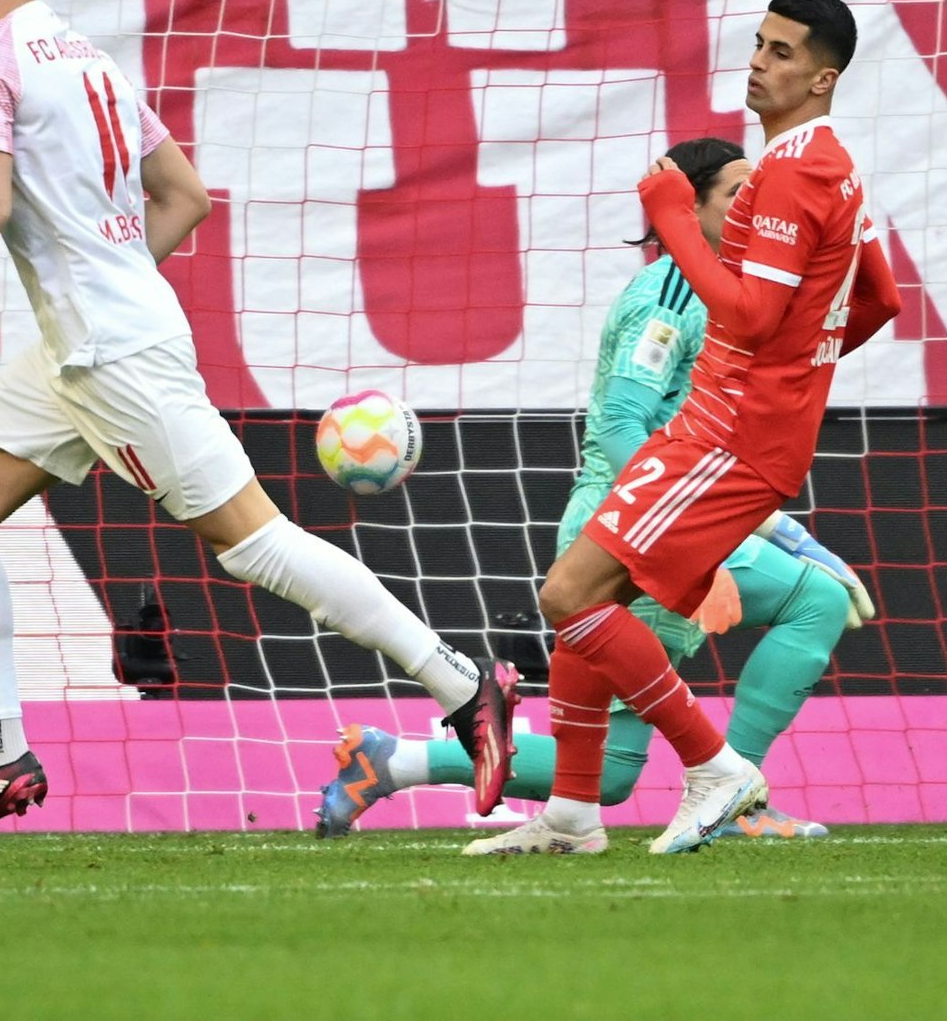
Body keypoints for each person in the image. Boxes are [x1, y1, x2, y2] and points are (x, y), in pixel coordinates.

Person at [0, 0, 518, 847]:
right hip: (86, 341)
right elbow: (185, 196)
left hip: (110, 354)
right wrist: (112, 282)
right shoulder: (87, 57)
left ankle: (464, 684)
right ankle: (0, 755)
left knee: (255, 544)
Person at [317, 139, 872, 843]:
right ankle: (738, 796)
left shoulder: (722, 289)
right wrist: (694, 541)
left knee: (608, 773)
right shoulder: (671, 294)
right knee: (815, 600)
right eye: (736, 194)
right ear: (690, 207)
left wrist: (775, 529)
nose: (752, 208)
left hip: (654, 516)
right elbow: (618, 424)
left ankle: (393, 761)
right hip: (636, 522)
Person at [467, 0, 902, 856]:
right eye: (759, 43)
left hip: (728, 434)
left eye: (782, 52)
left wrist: (672, 215)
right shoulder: (830, 167)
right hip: (734, 427)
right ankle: (573, 815)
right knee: (591, 603)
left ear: (823, 78)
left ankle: (715, 767)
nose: (759, 62)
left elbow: (750, 316)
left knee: (567, 597)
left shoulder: (794, 173)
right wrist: (795, 374)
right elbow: (878, 299)